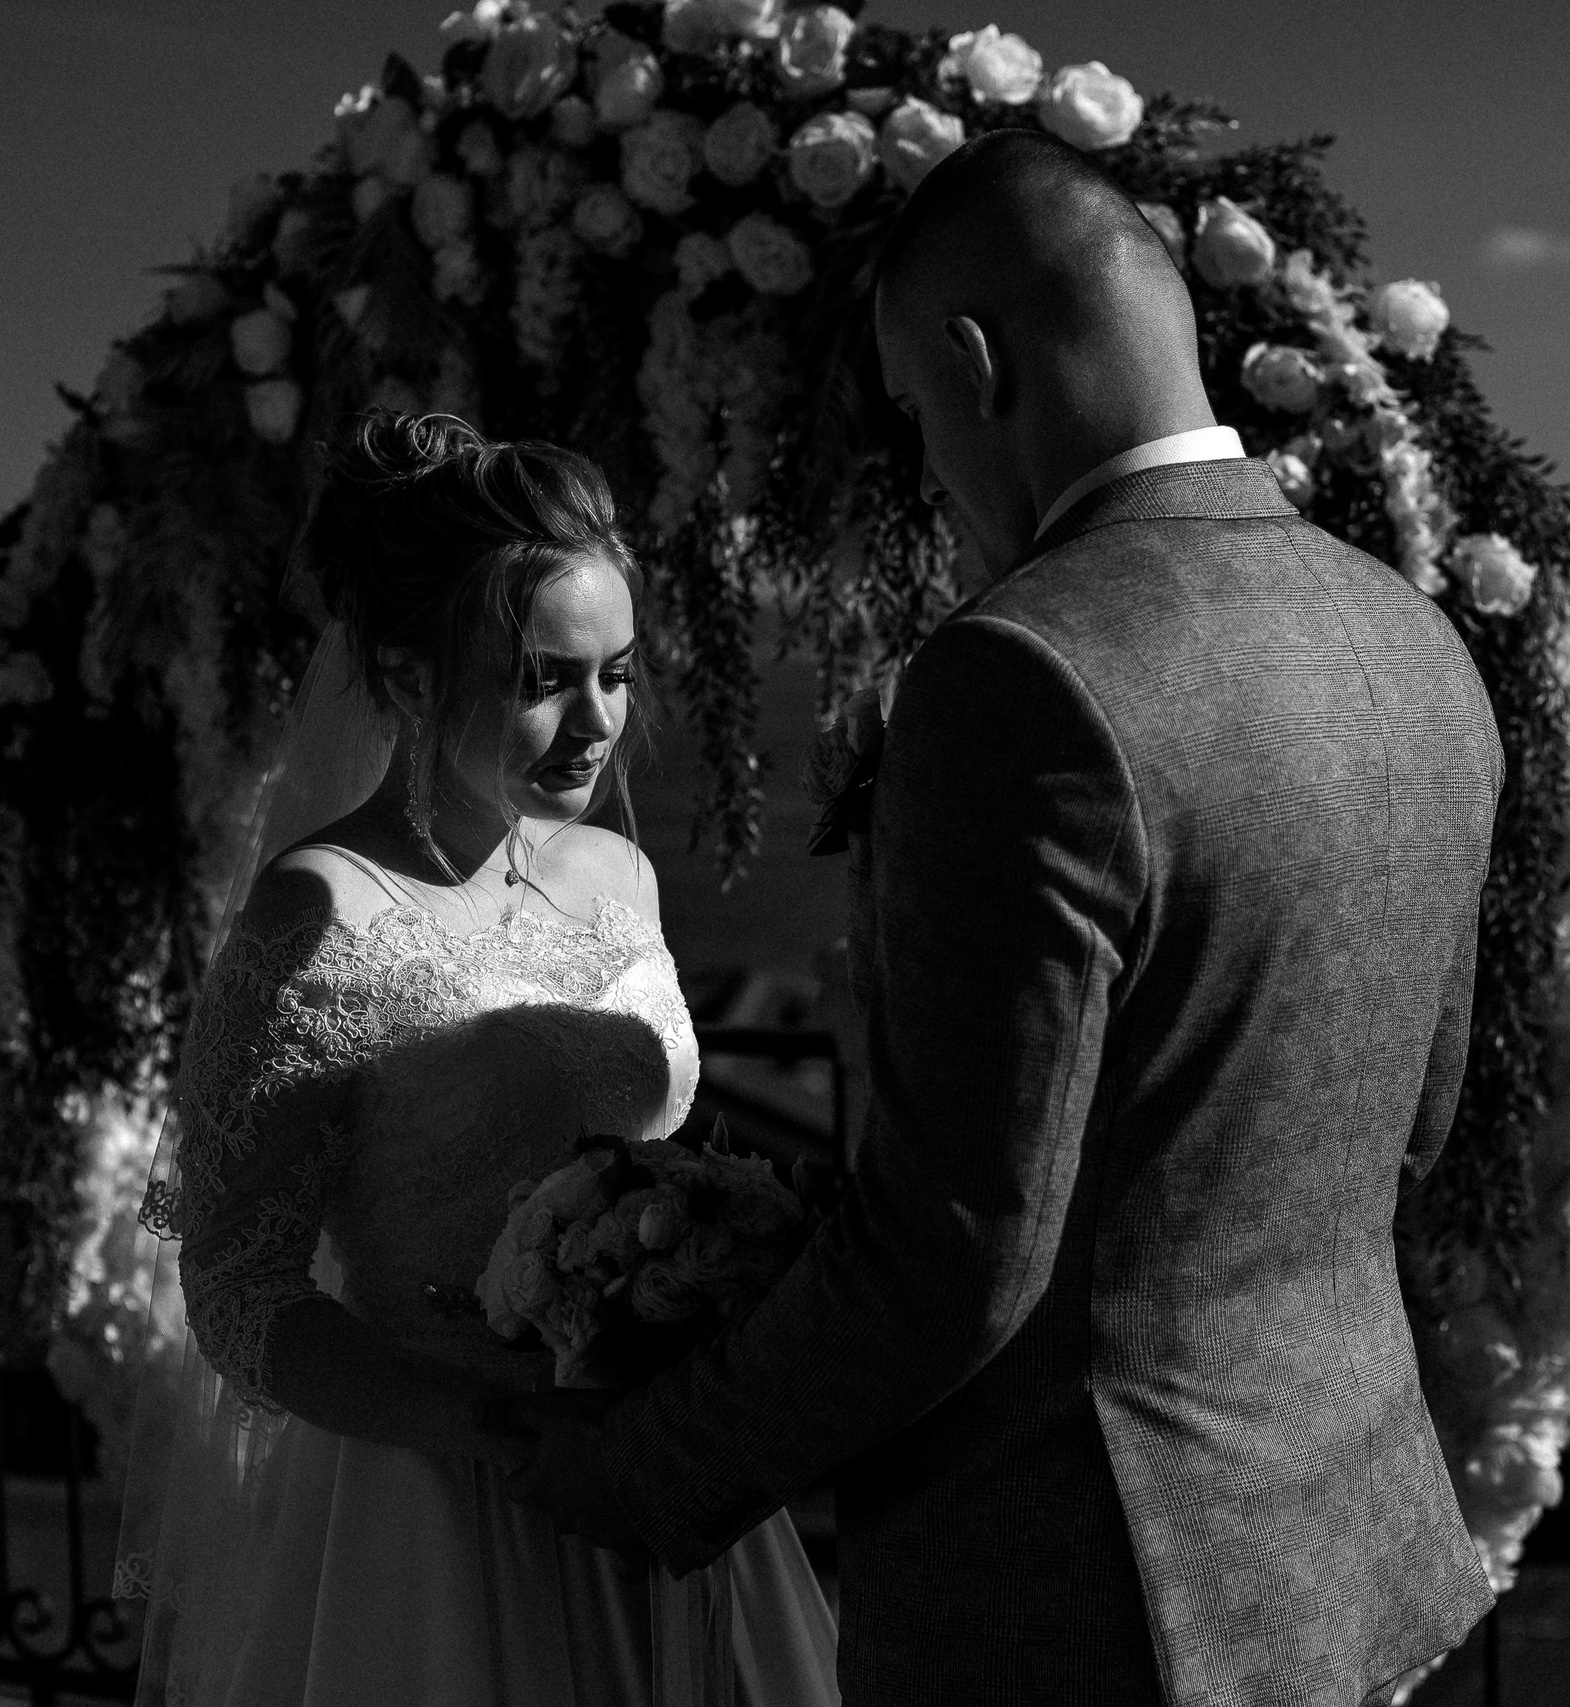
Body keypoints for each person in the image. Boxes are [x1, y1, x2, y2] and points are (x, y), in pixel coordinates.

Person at [506, 130, 1503, 1705]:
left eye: (914, 416)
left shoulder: (1018, 675)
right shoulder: (1418, 643)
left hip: (1087, 1611)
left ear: (975, 365)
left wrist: (625, 1478)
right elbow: (1419, 1115)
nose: (932, 472)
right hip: (1347, 1567)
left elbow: (951, 1258)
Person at [117, 411, 839, 1706]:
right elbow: (232, 1283)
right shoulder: (316, 913)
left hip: (655, 1468)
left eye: (618, 673)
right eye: (545, 680)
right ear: (404, 672)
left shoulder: (616, 873)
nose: (597, 723)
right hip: (434, 1509)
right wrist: (491, 1425)